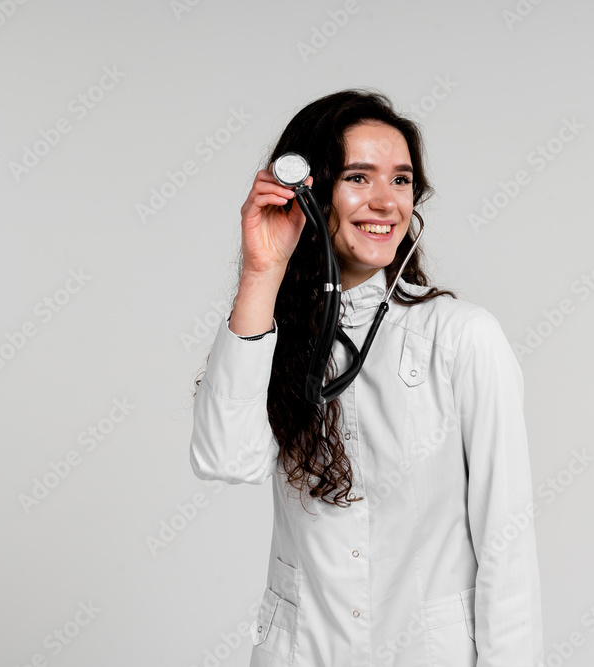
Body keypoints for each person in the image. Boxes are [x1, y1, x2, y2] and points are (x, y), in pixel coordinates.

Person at [189, 89, 543, 667]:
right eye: (359, 177)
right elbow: (225, 459)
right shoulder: (271, 336)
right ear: (309, 193)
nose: (385, 202)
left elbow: (508, 542)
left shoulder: (462, 339)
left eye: (401, 181)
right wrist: (261, 271)